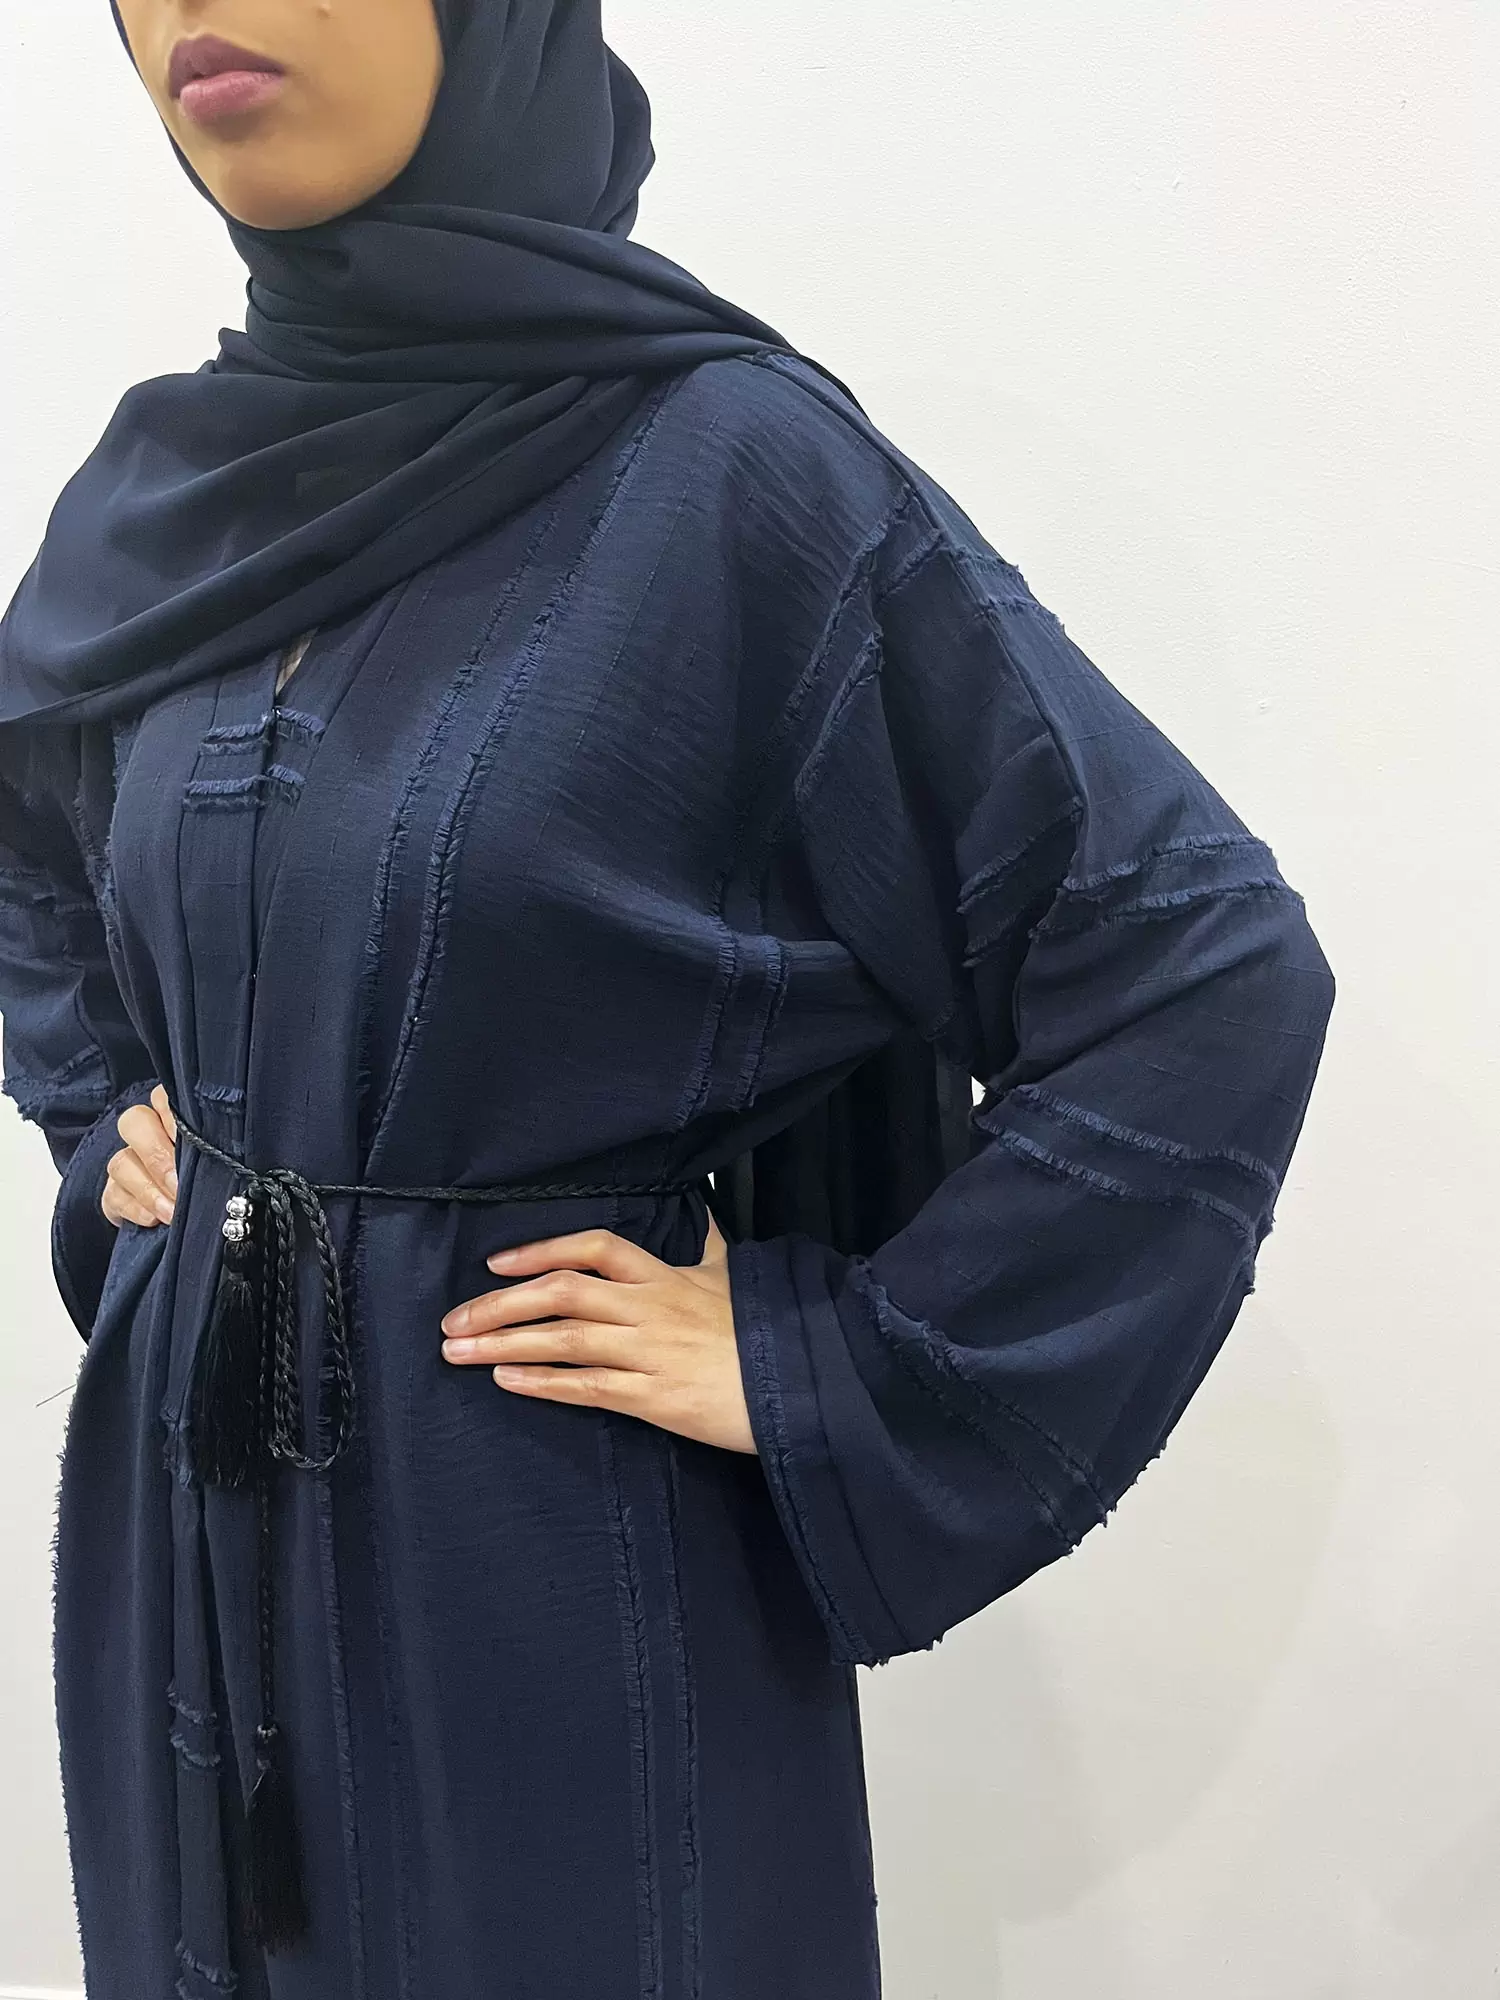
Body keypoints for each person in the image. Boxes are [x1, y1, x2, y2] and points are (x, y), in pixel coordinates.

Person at [0, 3, 1336, 1995]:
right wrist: (104, 1108)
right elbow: (37, 836)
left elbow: (1204, 969)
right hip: (190, 1524)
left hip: (549, 1539)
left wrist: (832, 1365)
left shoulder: (731, 475)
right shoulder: (167, 500)